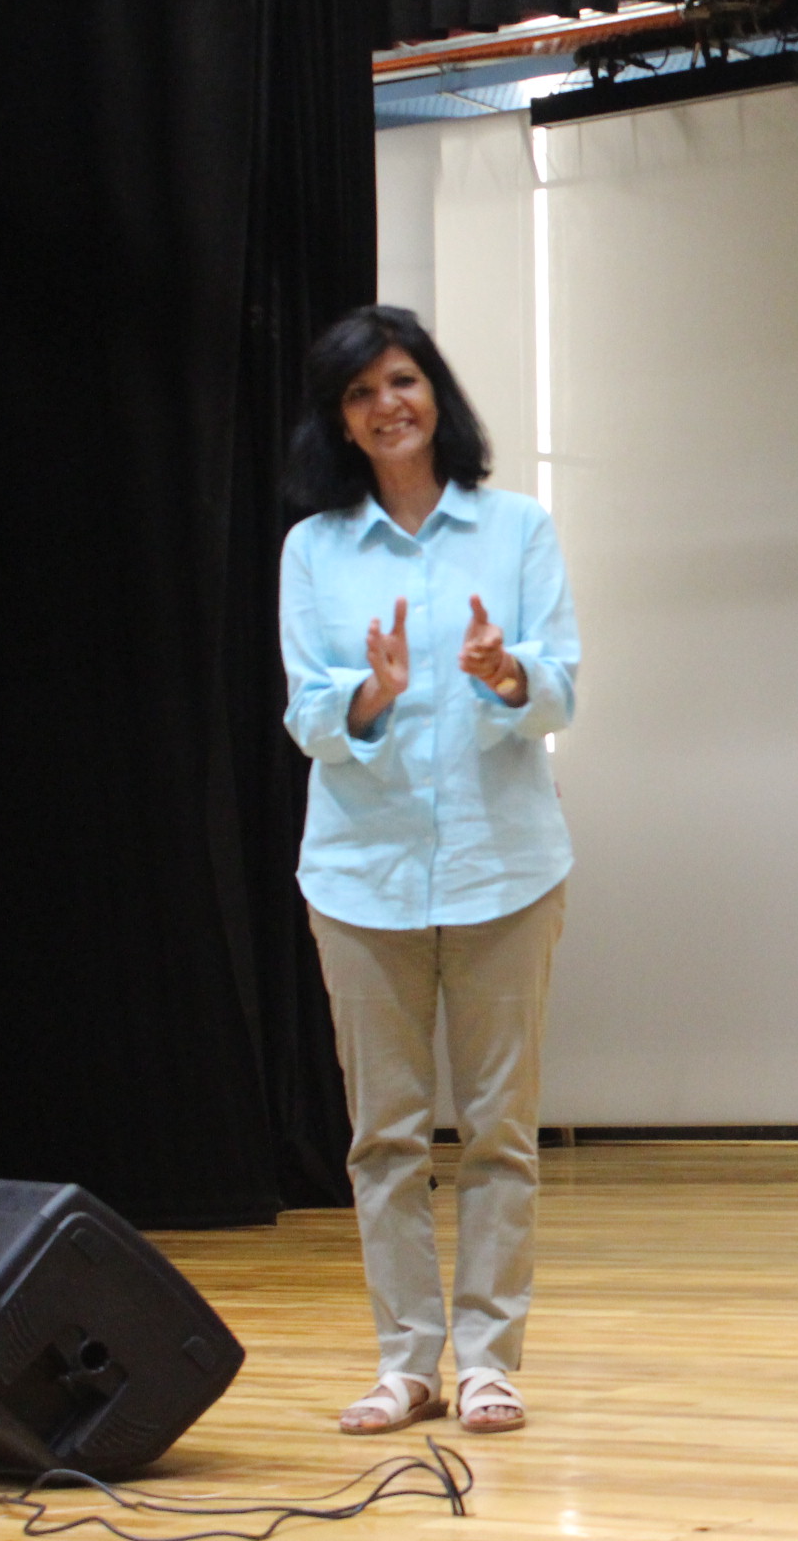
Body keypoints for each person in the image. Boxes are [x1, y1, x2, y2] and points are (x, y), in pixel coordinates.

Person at [279, 306, 579, 1438]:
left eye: (401, 381)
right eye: (360, 394)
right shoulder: (312, 550)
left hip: (507, 871)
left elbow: (562, 686)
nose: (386, 406)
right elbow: (309, 716)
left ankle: (491, 1361)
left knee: (500, 1133)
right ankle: (407, 1364)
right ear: (341, 421)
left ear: (435, 394)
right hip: (362, 879)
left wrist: (506, 675)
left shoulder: (517, 528)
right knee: (386, 1138)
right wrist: (374, 693)